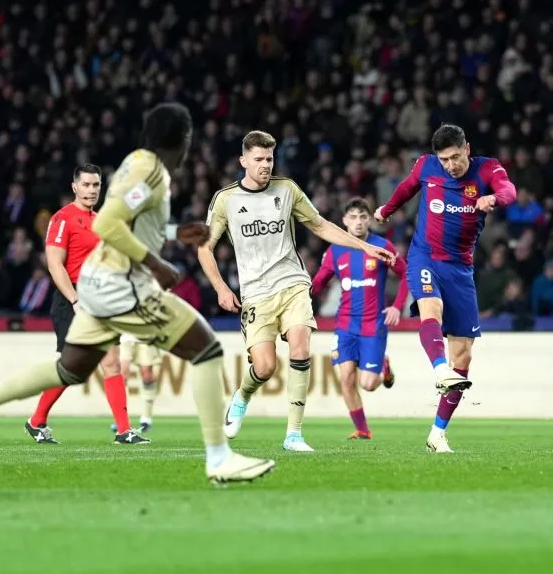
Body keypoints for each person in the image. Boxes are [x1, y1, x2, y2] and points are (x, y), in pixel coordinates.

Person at [0, 103, 275, 484]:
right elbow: (108, 222)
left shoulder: (136, 163)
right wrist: (155, 264)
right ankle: (218, 459)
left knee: (68, 368)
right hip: (121, 285)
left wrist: (173, 234)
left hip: (99, 285)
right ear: (179, 140)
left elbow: (125, 219)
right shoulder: (152, 172)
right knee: (207, 349)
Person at [199, 130, 394, 452]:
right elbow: (205, 248)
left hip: (292, 282)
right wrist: (220, 287)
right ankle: (242, 395)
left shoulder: (287, 189)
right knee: (264, 367)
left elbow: (319, 225)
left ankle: (294, 434)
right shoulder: (226, 200)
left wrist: (365, 247)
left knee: (301, 344)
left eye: (269, 159)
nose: (265, 165)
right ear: (243, 161)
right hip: (255, 292)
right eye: (259, 159)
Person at [375, 124, 517, 453]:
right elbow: (407, 187)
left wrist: (493, 197)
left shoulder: (487, 169)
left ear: (467, 148)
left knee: (464, 354)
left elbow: (509, 190)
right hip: (425, 257)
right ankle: (440, 369)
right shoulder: (426, 166)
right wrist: (387, 209)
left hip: (461, 269)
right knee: (431, 309)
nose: (450, 165)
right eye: (445, 159)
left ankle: (437, 433)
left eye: (455, 157)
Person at [26, 164, 148, 445]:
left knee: (112, 362)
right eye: (87, 185)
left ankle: (123, 431)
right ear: (75, 187)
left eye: (96, 185)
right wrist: (75, 300)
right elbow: (55, 265)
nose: (92, 190)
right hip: (72, 300)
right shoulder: (62, 219)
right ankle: (36, 421)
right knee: (73, 368)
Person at [311, 197, 407, 439]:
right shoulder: (334, 250)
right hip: (344, 324)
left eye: (363, 217)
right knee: (346, 378)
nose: (358, 222)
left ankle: (383, 364)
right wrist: (301, 293)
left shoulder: (382, 246)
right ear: (344, 221)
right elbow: (319, 282)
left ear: (370, 220)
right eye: (353, 217)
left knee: (368, 384)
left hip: (373, 325)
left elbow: (407, 274)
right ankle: (363, 429)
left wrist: (396, 306)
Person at [117, 333, 161, 434]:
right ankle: (120, 418)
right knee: (122, 374)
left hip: (145, 335)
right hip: (125, 336)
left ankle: (146, 418)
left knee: (147, 375)